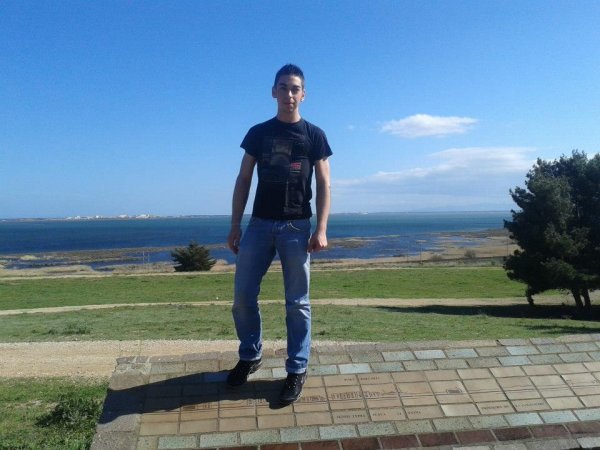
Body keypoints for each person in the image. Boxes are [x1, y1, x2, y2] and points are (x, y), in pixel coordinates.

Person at [226, 63, 332, 404]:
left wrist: (321, 228)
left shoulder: (314, 135)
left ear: (304, 95)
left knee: (297, 303)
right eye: (283, 87)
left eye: (295, 88)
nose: (289, 94)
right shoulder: (258, 133)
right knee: (242, 297)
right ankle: (250, 355)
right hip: (259, 225)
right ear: (274, 92)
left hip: (296, 227)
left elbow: (324, 183)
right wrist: (235, 225)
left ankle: (297, 368)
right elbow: (243, 179)